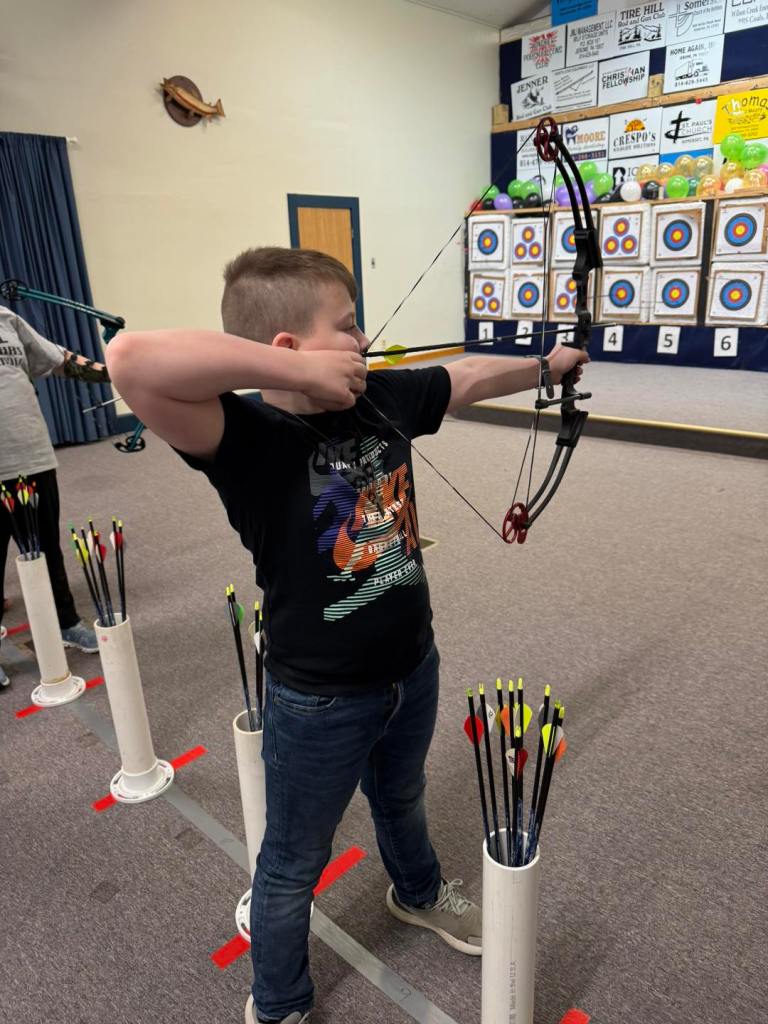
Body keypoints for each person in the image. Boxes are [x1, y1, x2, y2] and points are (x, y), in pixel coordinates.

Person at [106, 247, 588, 1024]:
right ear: (287, 348)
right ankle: (280, 1003)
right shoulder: (244, 438)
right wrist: (293, 373)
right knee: (294, 860)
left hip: (412, 664)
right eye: (348, 325)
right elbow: (129, 359)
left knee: (402, 793)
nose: (364, 340)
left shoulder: (381, 398)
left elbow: (465, 376)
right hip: (318, 698)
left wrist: (547, 366)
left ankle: (417, 892)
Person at [0, 305, 109, 689]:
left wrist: (115, 373)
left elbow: (58, 359)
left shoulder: (6, 319)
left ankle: (66, 623)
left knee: (47, 546)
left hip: (32, 455)